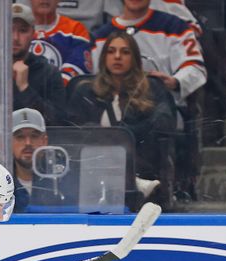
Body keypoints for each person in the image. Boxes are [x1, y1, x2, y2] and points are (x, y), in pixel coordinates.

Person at [69, 30, 175, 205]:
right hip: (94, 176)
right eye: (111, 51)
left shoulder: (153, 90)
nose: (117, 57)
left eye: (125, 52)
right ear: (103, 57)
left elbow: (162, 124)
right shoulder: (85, 92)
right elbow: (75, 131)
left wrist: (125, 134)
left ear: (135, 58)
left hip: (143, 169)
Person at [91, 0, 206, 106]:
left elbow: (195, 68)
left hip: (165, 115)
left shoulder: (175, 27)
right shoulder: (100, 37)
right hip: (111, 118)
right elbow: (93, 80)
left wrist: (176, 81)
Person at [10, 108, 71, 213]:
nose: (28, 143)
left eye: (34, 136)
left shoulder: (62, 179)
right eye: (20, 137)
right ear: (8, 142)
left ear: (44, 141)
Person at [25, 0, 92, 83]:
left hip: (62, 93)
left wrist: (54, 88)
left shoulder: (75, 29)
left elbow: (77, 69)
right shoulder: (15, 31)